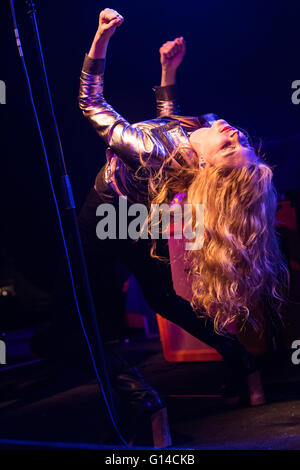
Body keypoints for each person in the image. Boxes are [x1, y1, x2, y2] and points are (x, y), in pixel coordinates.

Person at [77, 7, 285, 416]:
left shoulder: (157, 153)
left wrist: (101, 37)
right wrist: (167, 70)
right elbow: (167, 124)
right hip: (141, 215)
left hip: (110, 210)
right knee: (163, 298)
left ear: (206, 164)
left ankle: (140, 399)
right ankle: (244, 364)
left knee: (85, 295)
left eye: (231, 145)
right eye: (239, 139)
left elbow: (91, 102)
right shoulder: (192, 142)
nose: (233, 132)